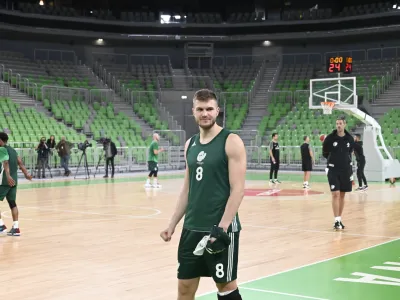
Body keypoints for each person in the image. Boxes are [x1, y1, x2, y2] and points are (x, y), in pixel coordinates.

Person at [160, 89, 246, 300]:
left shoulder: (231, 141)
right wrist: (172, 224)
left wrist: (222, 228)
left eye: (209, 109)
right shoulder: (190, 144)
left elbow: (238, 190)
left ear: (217, 111)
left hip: (219, 228)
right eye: (200, 109)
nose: (205, 113)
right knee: (185, 288)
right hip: (191, 228)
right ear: (193, 111)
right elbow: (187, 189)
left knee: (226, 288)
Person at [322, 115, 355, 230]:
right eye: (337, 123)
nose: (338, 125)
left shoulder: (350, 139)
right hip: (333, 169)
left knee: (342, 194)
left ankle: (339, 219)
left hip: (345, 170)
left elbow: (350, 152)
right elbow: (325, 152)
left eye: (340, 123)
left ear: (345, 124)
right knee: (335, 193)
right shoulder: (330, 138)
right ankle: (336, 220)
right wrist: (332, 160)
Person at [0, 132, 32, 236]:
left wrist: (8, 176)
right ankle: (16, 228)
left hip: (4, 181)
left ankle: (1, 226)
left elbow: (5, 162)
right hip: (14, 181)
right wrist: (26, 173)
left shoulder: (2, 149)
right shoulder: (13, 150)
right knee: (12, 203)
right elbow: (20, 163)